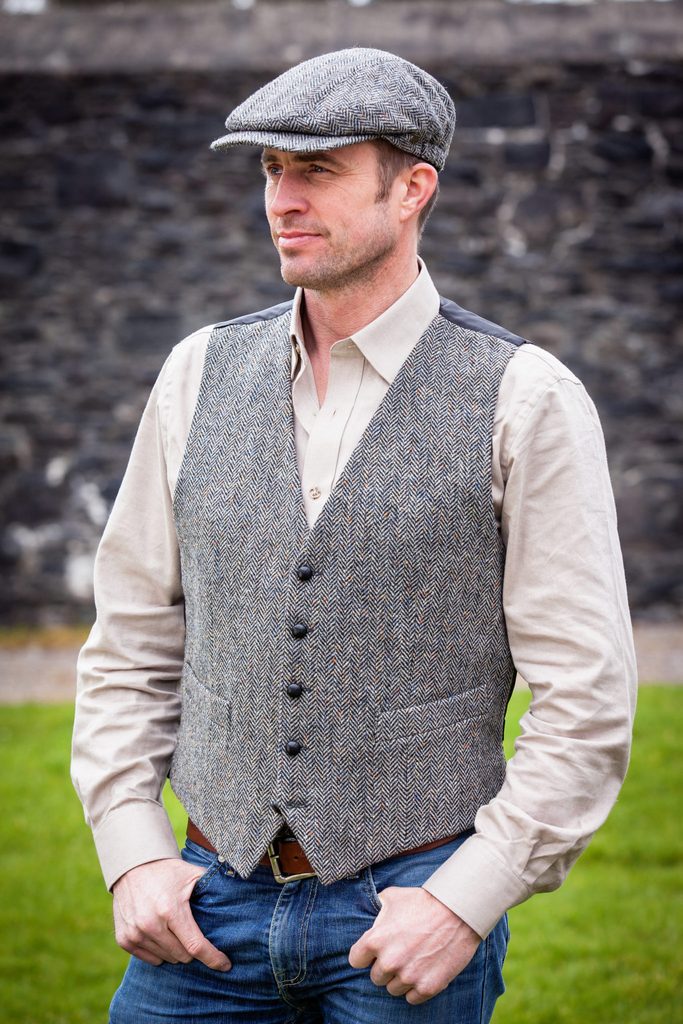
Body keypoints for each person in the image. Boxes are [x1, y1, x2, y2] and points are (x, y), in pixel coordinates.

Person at [71, 47, 636, 1024]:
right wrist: (132, 854)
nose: (281, 199)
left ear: (412, 188)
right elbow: (130, 643)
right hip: (203, 907)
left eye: (317, 170)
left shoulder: (524, 397)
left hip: (408, 914)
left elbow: (585, 696)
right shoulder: (197, 373)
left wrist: (463, 902)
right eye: (270, 169)